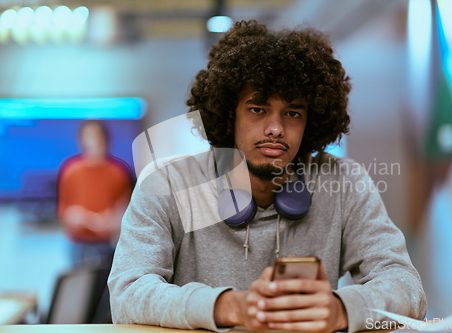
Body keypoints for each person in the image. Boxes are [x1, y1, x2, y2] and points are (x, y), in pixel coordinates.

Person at [108, 20, 427, 333]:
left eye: (292, 113)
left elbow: (406, 287)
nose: (276, 128)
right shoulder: (166, 183)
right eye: (258, 109)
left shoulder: (345, 182)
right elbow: (128, 293)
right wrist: (231, 306)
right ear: (228, 113)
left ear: (310, 122)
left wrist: (340, 310)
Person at [57, 120, 132, 266]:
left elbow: (125, 212)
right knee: (79, 285)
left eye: (97, 135)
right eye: (88, 136)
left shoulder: (119, 173)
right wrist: (78, 218)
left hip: (108, 244)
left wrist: (111, 222)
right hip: (78, 244)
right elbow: (63, 211)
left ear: (105, 138)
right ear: (81, 140)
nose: (93, 141)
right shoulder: (70, 171)